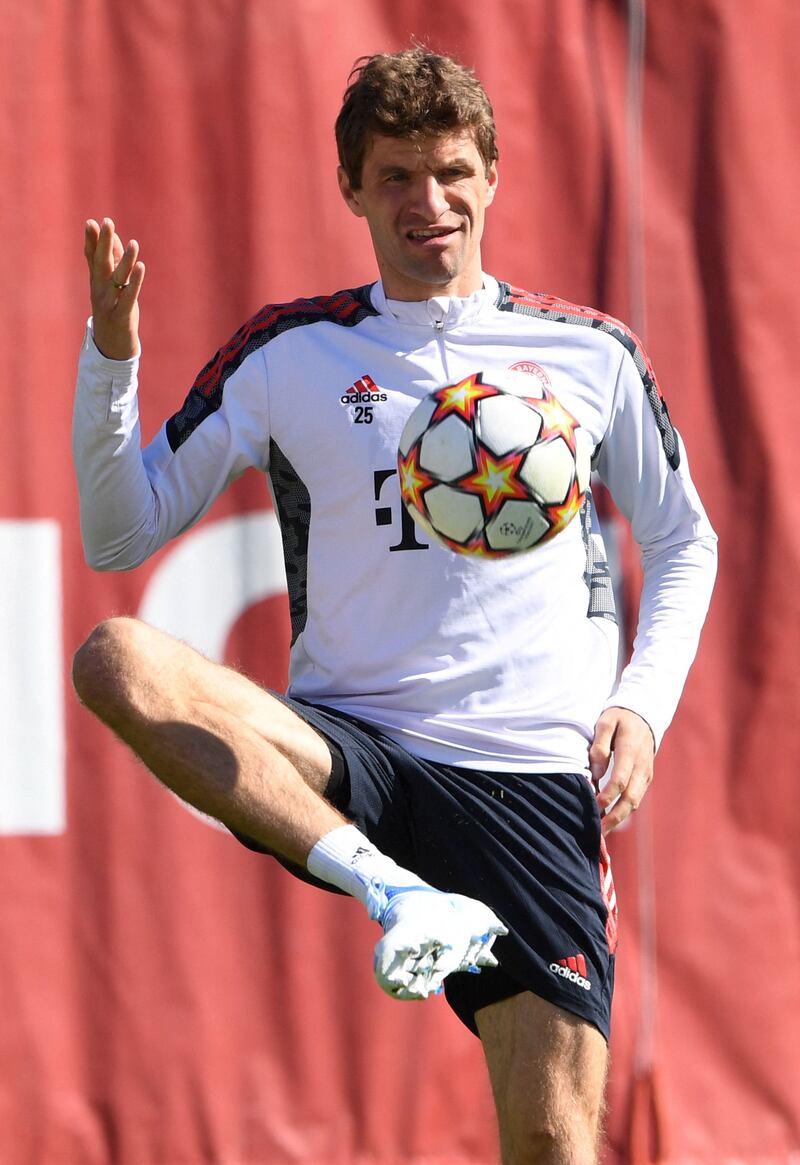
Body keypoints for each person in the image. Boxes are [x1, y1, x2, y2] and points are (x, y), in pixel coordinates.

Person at [71, 48, 717, 1165]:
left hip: (526, 775)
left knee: (554, 1142)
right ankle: (398, 893)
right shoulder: (290, 353)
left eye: (453, 172)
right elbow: (121, 531)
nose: (430, 203)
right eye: (398, 177)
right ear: (352, 190)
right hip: (354, 746)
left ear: (493, 175)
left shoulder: (587, 355)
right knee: (115, 660)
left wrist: (642, 707)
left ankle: (436, 902)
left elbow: (682, 540)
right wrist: (113, 355)